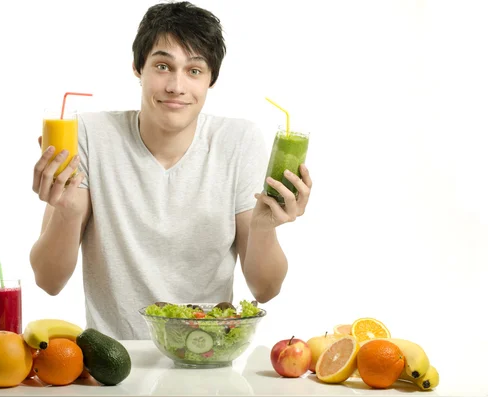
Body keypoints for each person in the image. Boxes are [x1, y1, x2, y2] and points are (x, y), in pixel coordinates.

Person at [29, 1, 313, 340]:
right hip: (114, 366)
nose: (176, 86)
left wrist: (265, 226)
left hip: (205, 356)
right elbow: (48, 281)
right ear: (138, 68)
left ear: (210, 80)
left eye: (194, 71)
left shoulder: (238, 141)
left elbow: (266, 289)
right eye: (163, 66)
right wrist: (68, 212)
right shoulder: (88, 135)